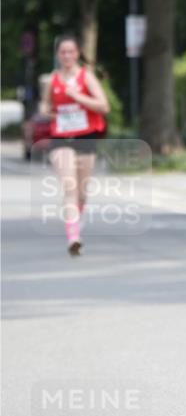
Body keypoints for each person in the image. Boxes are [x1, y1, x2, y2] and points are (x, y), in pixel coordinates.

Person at [40, 35, 110, 256]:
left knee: (81, 192)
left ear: (77, 54)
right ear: (57, 55)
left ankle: (76, 222)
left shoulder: (86, 77)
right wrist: (48, 111)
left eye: (71, 51)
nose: (67, 56)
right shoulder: (53, 79)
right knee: (69, 186)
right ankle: (73, 238)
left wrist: (78, 97)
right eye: (63, 52)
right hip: (61, 138)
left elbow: (104, 106)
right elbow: (45, 105)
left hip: (86, 137)